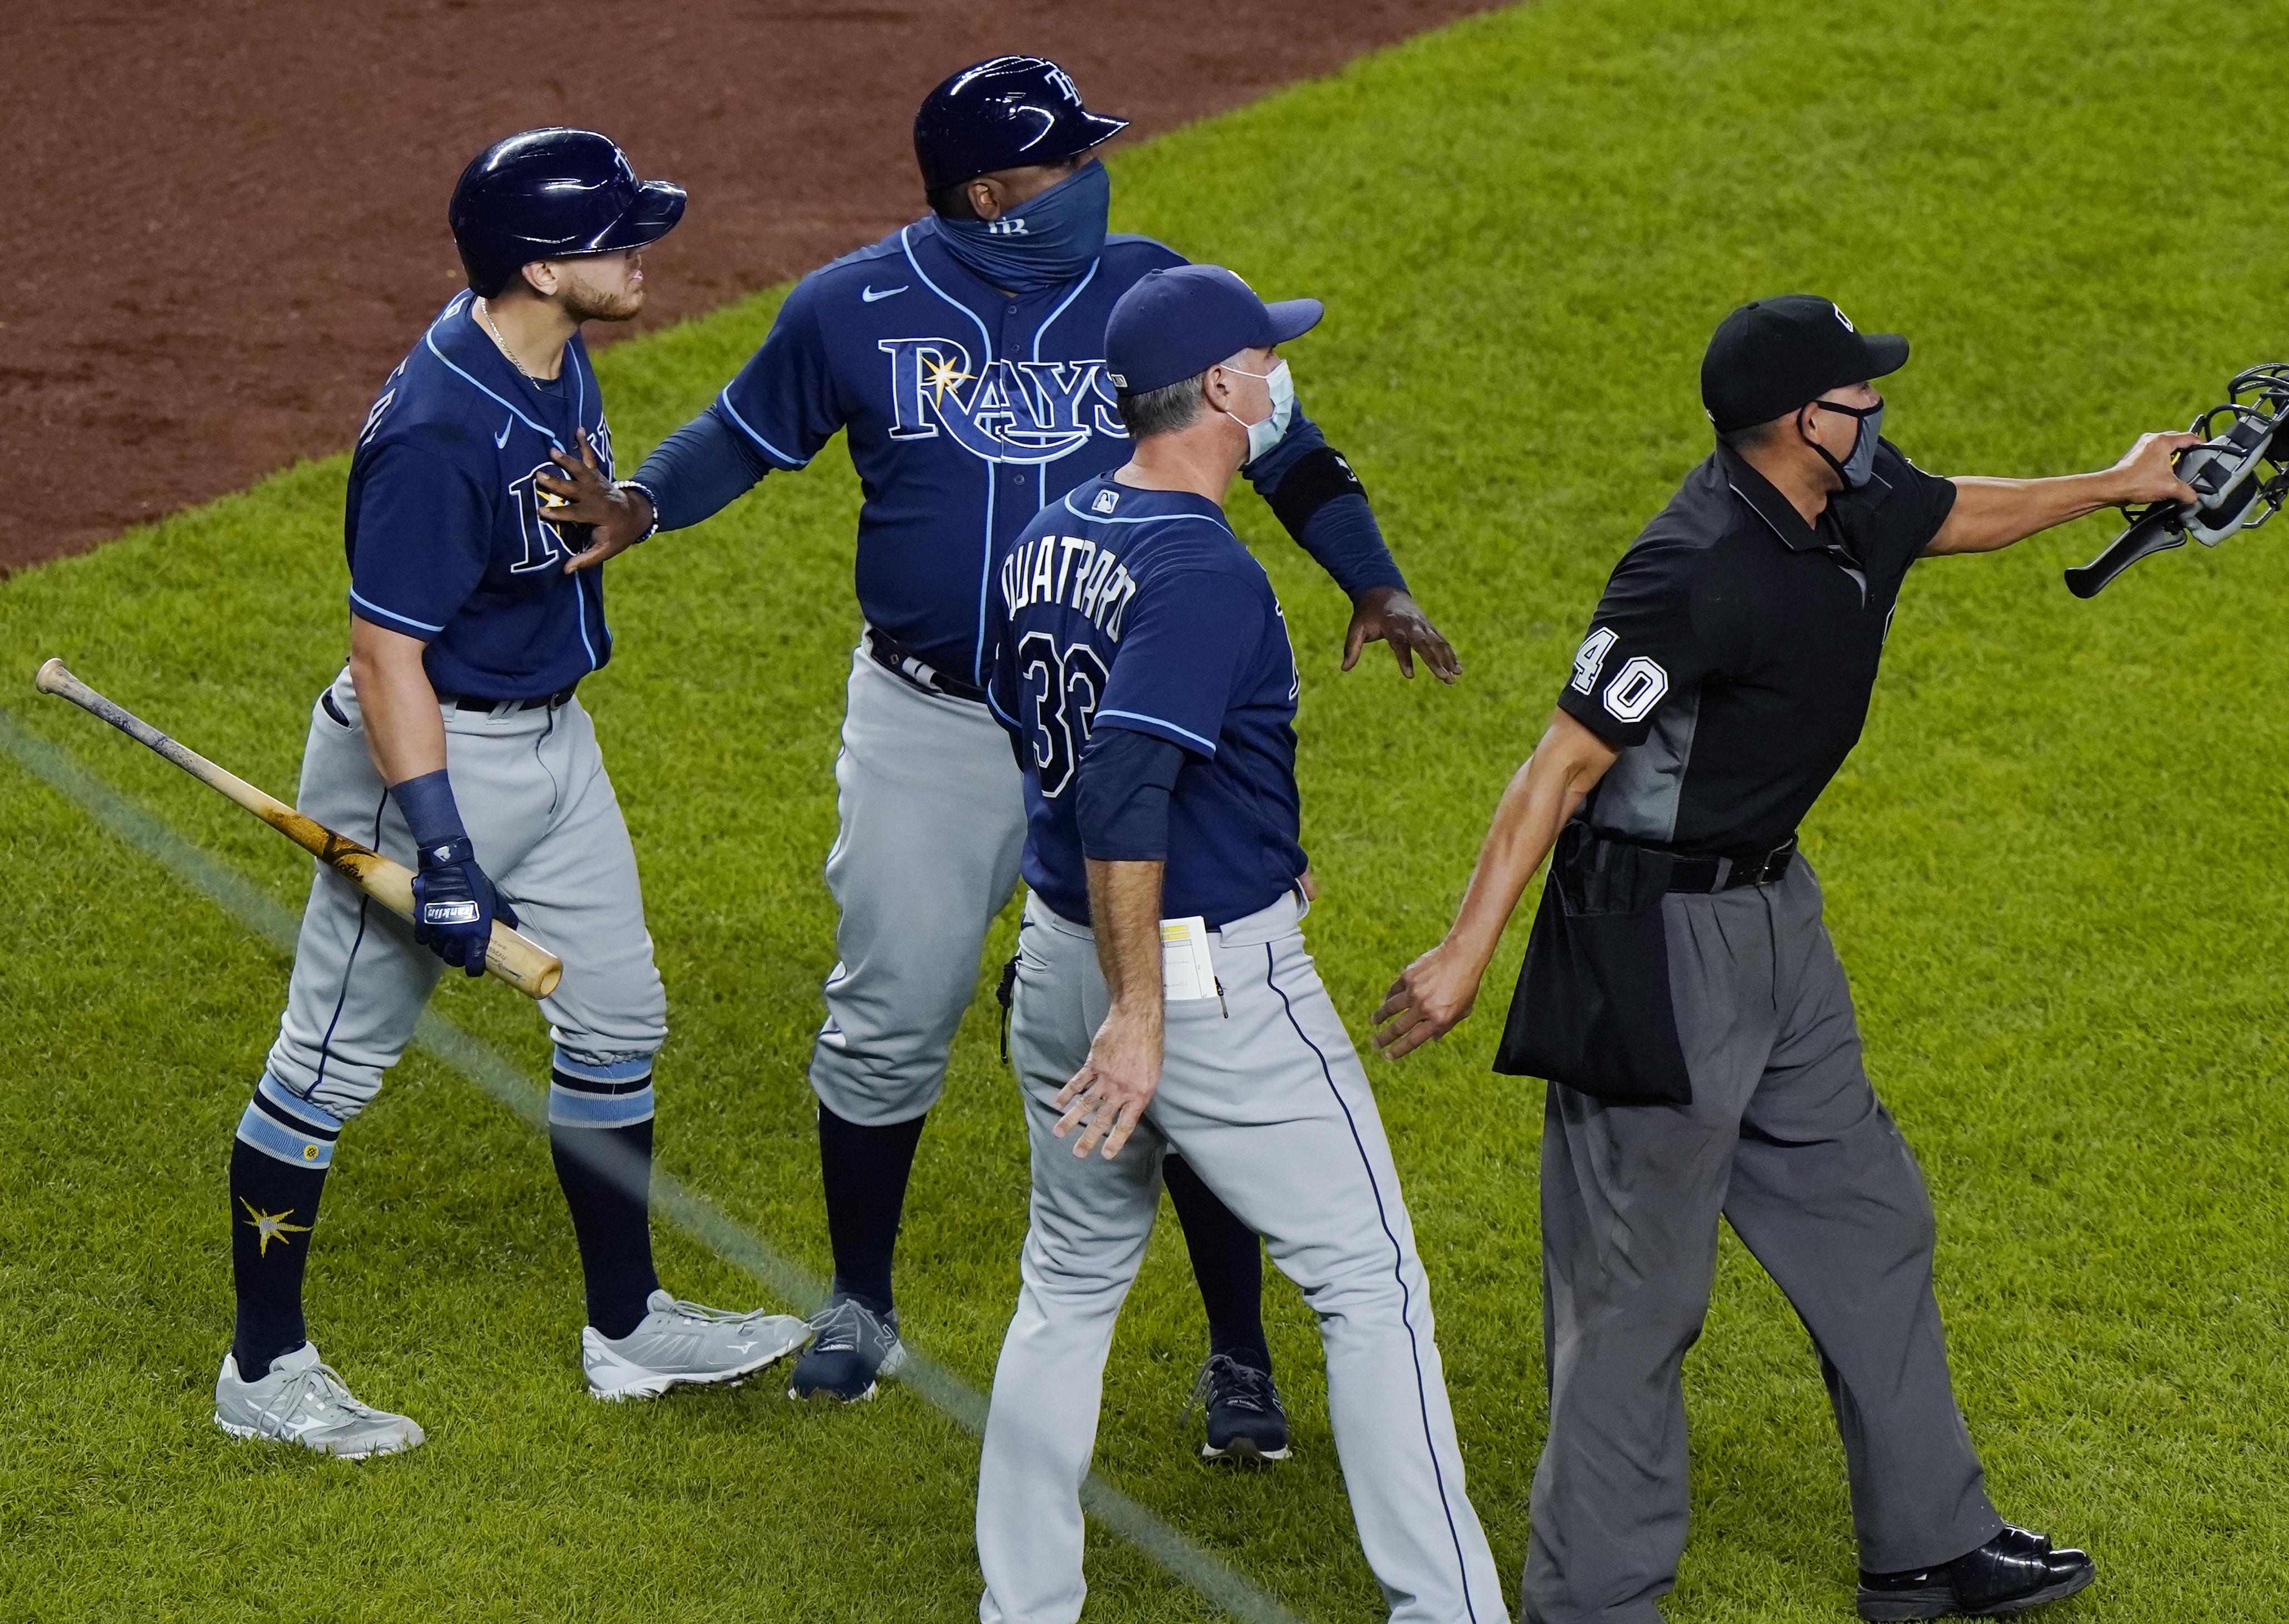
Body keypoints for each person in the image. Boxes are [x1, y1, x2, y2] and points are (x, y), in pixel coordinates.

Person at [535, 56, 1460, 1454]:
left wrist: (1370, 581)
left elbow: (1288, 450)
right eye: (1065, 163)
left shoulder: (1153, 295)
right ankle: (860, 1301)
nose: (1094, 181)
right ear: (987, 193)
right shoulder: (852, 305)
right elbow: (745, 431)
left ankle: (1237, 1353)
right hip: (933, 724)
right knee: (890, 1006)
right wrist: (648, 502)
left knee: (1185, 1023)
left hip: (1129, 725)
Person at [1371, 294, 2202, 1622]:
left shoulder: (1846, 499)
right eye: (1856, 393)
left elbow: (1948, 513)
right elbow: (1556, 767)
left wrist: (2114, 484)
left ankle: (1925, 1549)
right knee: (1635, 1297)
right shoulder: (1689, 567)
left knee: (1868, 1213)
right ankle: (1591, 1603)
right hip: (1648, 938)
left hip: (1775, 914)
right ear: (1798, 422)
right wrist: (1467, 949)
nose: (1877, 406)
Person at [212, 129, 811, 1460]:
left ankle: (628, 1324)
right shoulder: (437, 431)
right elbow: (386, 657)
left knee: (616, 1018)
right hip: (429, 760)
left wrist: (627, 510)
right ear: (541, 265)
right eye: (614, 235)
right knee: (325, 1063)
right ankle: (262, 1368)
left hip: (552, 743)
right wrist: (437, 849)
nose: (640, 249)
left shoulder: (541, 343)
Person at [973, 262, 1507, 1624]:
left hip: (1054, 955)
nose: (1278, 379)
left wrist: (1253, 838)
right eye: (1265, 363)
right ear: (1219, 389)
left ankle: (1020, 1606)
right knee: (1371, 1281)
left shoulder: (1048, 530)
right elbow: (1122, 787)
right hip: (1194, 983)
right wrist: (1144, 1008)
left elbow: (1060, 748)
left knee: (1067, 1289)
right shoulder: (1201, 564)